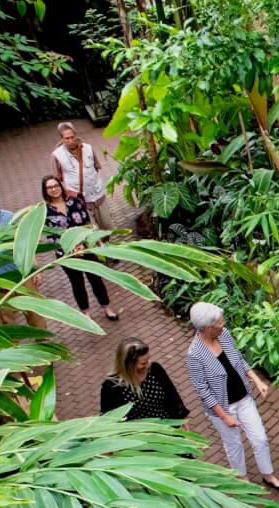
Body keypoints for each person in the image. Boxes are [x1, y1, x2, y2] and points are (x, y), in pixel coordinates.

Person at [185, 301, 279, 491]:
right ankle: (242, 478)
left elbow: (239, 359)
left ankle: (268, 475)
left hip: (244, 398)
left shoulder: (224, 335)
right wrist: (225, 417)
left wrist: (257, 381)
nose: (223, 324)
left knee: (260, 439)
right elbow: (203, 391)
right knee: (234, 445)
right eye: (219, 322)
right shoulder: (194, 355)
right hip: (222, 409)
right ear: (208, 328)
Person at [42, 174, 116, 321]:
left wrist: (89, 240)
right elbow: (50, 235)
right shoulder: (45, 211)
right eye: (49, 187)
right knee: (77, 283)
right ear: (45, 191)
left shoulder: (75, 202)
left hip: (86, 246)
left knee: (95, 278)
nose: (53, 189)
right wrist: (69, 247)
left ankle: (107, 307)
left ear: (60, 186)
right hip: (65, 253)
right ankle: (85, 313)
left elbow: (87, 223)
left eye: (55, 186)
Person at [100, 338, 190, 421]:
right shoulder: (111, 387)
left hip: (167, 428)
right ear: (129, 365)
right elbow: (108, 419)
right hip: (138, 435)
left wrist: (184, 424)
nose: (148, 365)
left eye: (148, 360)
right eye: (143, 363)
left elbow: (173, 398)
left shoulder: (155, 369)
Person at [52, 122, 110, 229]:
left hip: (97, 195)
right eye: (66, 138)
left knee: (107, 225)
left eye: (72, 137)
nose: (70, 141)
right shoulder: (57, 155)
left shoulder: (88, 148)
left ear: (75, 135)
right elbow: (58, 179)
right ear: (62, 139)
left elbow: (96, 167)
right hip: (80, 201)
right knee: (91, 231)